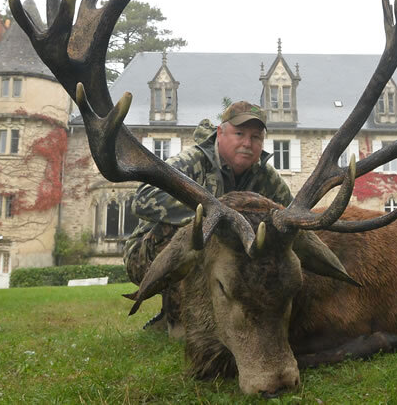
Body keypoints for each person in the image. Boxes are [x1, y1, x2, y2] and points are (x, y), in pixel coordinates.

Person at [123, 101, 293, 331]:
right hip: (147, 254)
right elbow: (143, 198)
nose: (247, 143)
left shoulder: (267, 177)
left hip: (221, 252)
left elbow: (290, 216)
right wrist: (214, 213)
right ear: (220, 133)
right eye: (239, 133)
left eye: (256, 137)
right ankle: (179, 321)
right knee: (190, 233)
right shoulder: (192, 161)